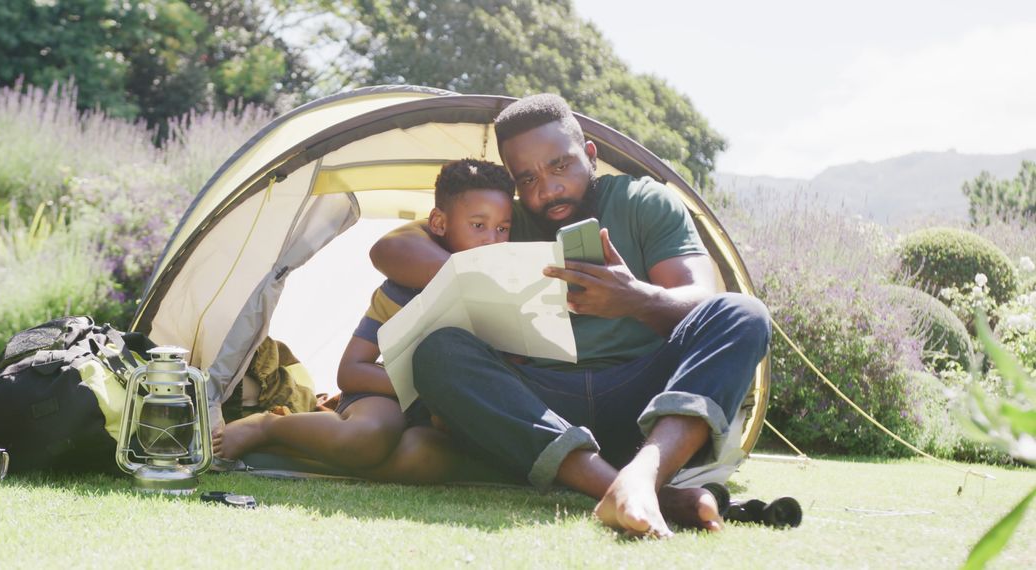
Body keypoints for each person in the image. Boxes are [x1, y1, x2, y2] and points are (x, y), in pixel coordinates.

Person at [369, 94, 771, 536]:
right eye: (528, 178)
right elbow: (389, 249)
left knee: (743, 313)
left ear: (590, 156)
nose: (547, 189)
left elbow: (702, 298)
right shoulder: (505, 223)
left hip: (644, 403)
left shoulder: (644, 201)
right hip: (541, 406)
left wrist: (636, 299)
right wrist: (478, 274)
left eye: (560, 166)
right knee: (438, 352)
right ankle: (639, 492)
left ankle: (643, 476)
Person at [214, 159, 516, 483]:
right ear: (439, 223)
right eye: (478, 226)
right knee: (366, 436)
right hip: (387, 393)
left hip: (443, 414)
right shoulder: (403, 287)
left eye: (503, 228)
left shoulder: (507, 293)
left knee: (425, 457)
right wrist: (428, 387)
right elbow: (350, 371)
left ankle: (305, 453)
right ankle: (269, 426)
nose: (492, 241)